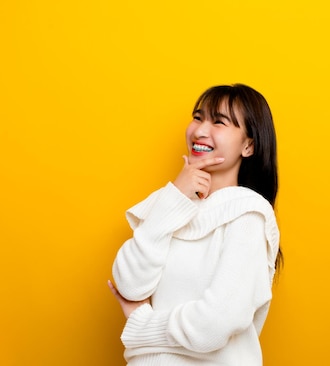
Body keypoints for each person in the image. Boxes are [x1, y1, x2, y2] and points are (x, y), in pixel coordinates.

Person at [108, 84, 282, 365]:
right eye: (198, 117)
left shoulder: (249, 214)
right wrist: (175, 197)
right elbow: (129, 285)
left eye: (219, 122)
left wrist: (141, 324)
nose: (200, 131)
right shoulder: (169, 204)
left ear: (248, 146)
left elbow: (213, 325)